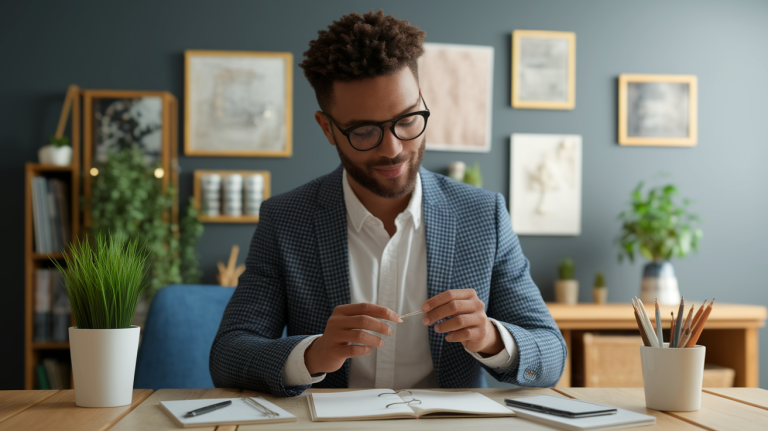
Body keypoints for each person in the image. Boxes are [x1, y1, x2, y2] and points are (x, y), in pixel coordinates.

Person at [210, 10, 566, 397]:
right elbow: (228, 356)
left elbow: (550, 355)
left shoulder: (483, 215)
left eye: (408, 119)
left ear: (422, 101)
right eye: (364, 131)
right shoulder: (285, 220)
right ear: (327, 128)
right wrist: (315, 354)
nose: (394, 149)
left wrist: (491, 338)